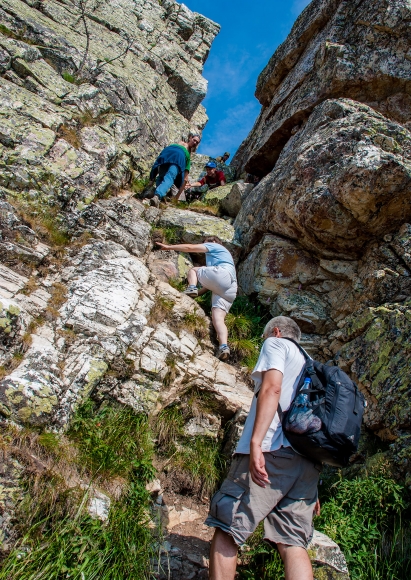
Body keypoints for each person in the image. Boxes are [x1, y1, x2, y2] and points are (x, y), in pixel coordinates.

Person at [206, 316, 322, 580]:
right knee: (292, 542)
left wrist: (257, 443)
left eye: (264, 336)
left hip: (272, 451)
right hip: (307, 465)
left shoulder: (276, 344)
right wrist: (314, 487)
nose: (262, 342)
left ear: (277, 331)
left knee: (228, 526)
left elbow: (272, 388)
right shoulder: (312, 366)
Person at [155, 236, 237, 360]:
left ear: (213, 242)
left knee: (194, 270)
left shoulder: (215, 246)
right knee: (218, 319)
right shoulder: (224, 257)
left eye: (204, 243)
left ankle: (191, 286)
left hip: (222, 275)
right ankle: (224, 346)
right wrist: (195, 294)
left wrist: (168, 247)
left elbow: (190, 247)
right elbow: (210, 286)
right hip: (230, 288)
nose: (203, 245)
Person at [145, 133, 201, 207]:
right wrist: (177, 196)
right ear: (190, 138)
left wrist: (152, 178)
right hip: (178, 157)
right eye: (194, 140)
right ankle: (157, 196)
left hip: (166, 153)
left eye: (197, 142)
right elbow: (185, 178)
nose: (195, 143)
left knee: (162, 177)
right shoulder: (187, 153)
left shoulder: (180, 143)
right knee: (170, 177)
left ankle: (156, 195)